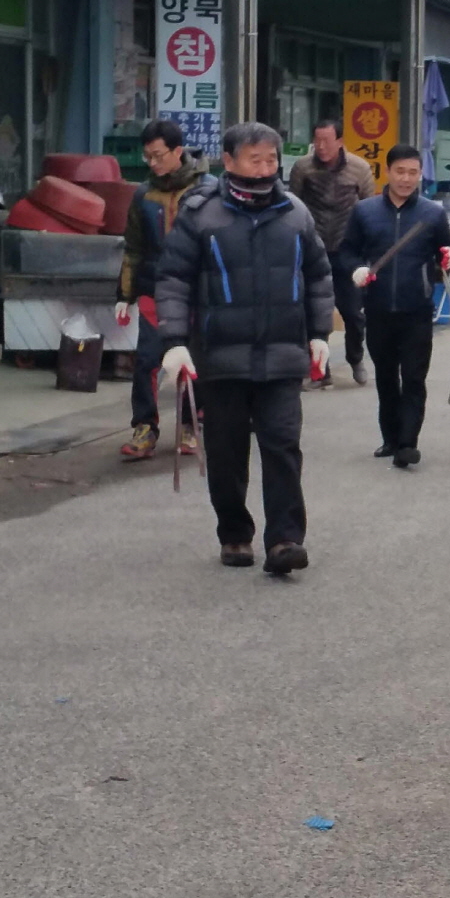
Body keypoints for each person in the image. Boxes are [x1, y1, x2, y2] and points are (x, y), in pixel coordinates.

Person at [155, 122, 334, 576]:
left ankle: (285, 539)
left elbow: (317, 275)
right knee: (227, 449)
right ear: (228, 161)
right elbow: (173, 280)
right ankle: (234, 532)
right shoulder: (200, 214)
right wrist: (175, 343)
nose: (265, 167)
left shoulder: (295, 213)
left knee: (282, 446)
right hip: (221, 357)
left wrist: (318, 334)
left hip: (281, 356)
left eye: (272, 159)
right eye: (254, 159)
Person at [341, 143, 450, 469]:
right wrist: (357, 270)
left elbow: (447, 251)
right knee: (386, 377)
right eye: (400, 171)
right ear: (387, 172)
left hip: (417, 310)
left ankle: (408, 443)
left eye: (413, 173)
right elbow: (347, 251)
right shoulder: (364, 212)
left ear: (421, 174)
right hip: (377, 309)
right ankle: (390, 438)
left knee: (415, 377)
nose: (407, 179)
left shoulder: (432, 213)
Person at [116, 118, 207, 460]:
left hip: (197, 290)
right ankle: (144, 426)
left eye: (158, 156)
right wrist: (124, 295)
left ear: (178, 152)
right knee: (147, 360)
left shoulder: (206, 189)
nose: (152, 164)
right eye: (148, 157)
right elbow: (133, 247)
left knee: (193, 360)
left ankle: (190, 424)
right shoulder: (143, 195)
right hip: (154, 290)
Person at [290, 120, 376, 389]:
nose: (322, 146)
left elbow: (368, 209)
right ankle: (319, 371)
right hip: (312, 250)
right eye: (317, 140)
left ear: (340, 141)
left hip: (347, 251)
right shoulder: (303, 167)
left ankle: (355, 358)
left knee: (352, 312)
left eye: (327, 140)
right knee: (314, 313)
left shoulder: (359, 168)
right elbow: (293, 205)